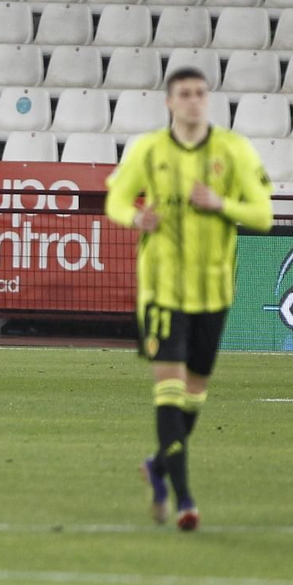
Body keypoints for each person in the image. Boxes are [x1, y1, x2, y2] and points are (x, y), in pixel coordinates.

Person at [104, 67, 274, 531]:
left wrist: (222, 205)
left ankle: (158, 466)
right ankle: (184, 500)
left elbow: (263, 215)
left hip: (214, 293)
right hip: (161, 291)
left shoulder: (233, 150)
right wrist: (137, 218)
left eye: (201, 93)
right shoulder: (148, 149)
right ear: (169, 102)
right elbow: (115, 201)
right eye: (185, 94)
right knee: (169, 391)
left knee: (195, 394)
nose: (194, 101)